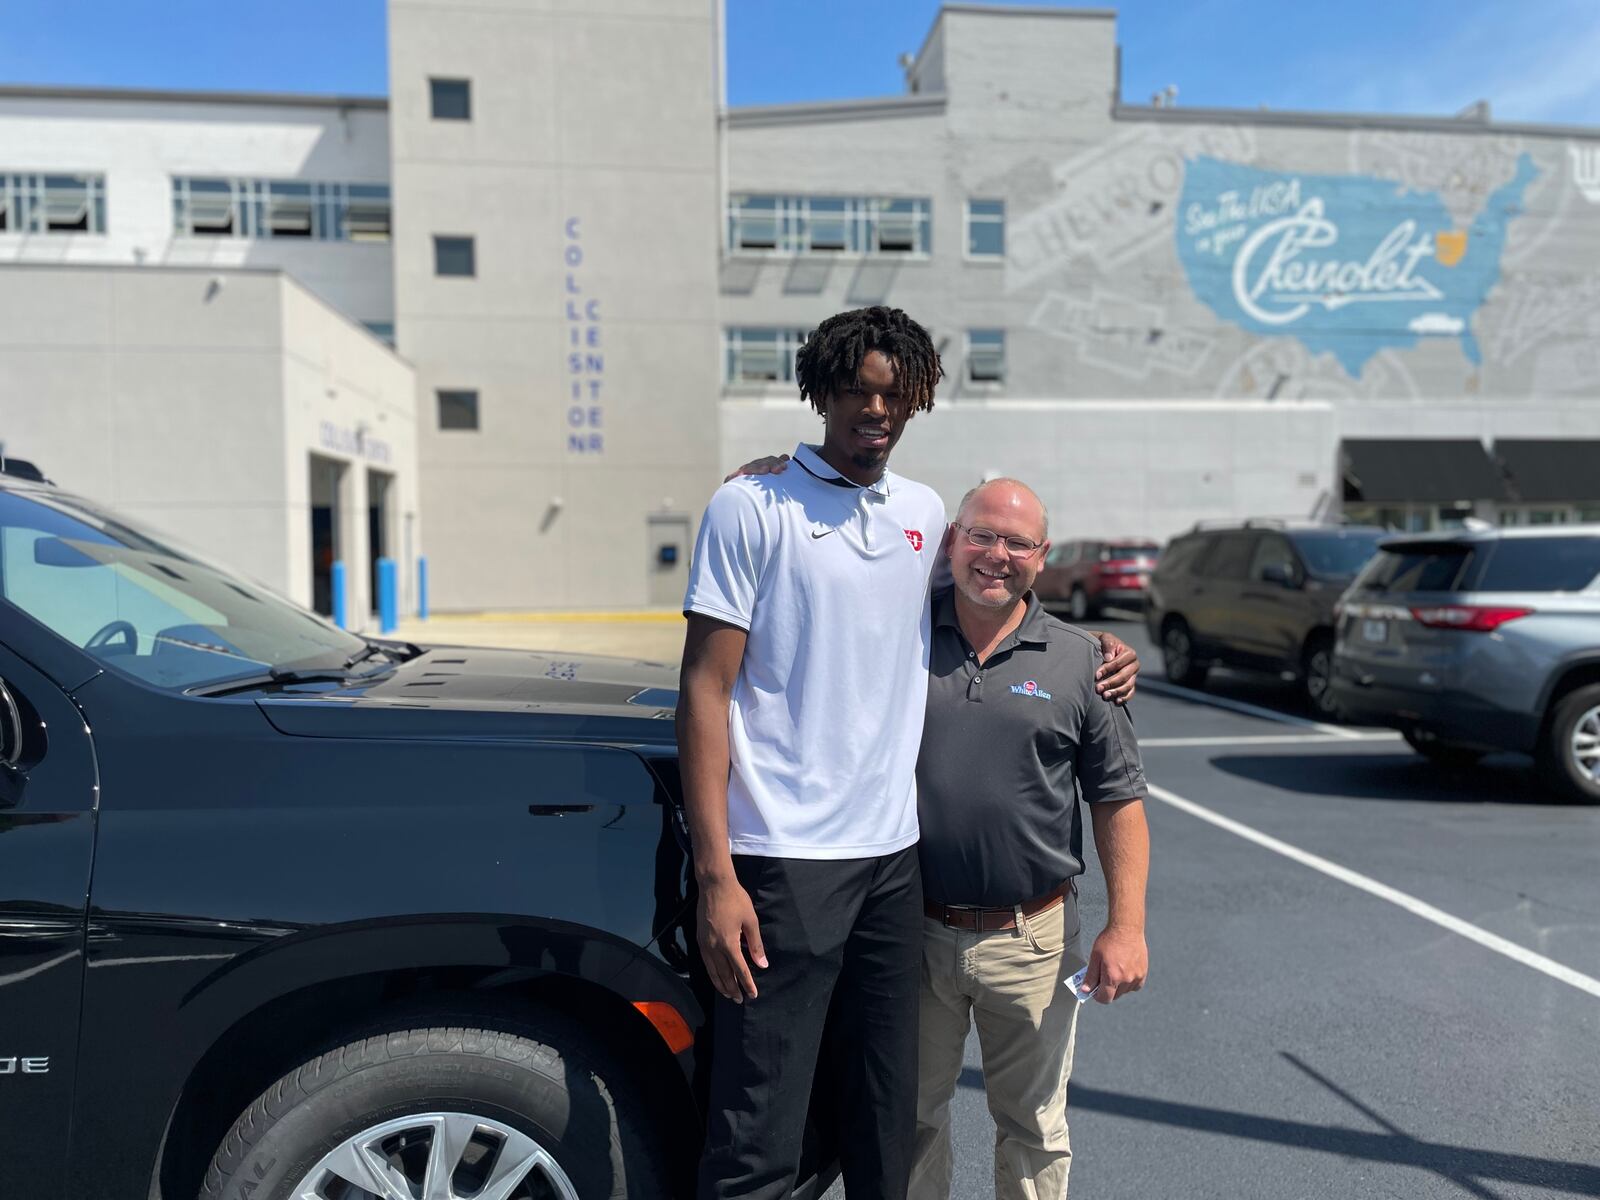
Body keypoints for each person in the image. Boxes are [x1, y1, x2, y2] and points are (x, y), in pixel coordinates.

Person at [679, 305, 1138, 1200]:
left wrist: (1090, 650)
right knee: (758, 1127)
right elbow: (706, 689)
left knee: (887, 1121)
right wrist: (717, 875)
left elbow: (993, 590)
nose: (875, 410)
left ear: (917, 401)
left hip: (895, 868)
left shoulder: (922, 513)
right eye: (857, 389)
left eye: (895, 394)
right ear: (823, 391)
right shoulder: (749, 507)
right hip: (784, 860)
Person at [912, 477, 1149, 1200]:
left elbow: (1117, 800)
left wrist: (1127, 925)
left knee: (1034, 1127)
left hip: (1034, 939)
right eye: (982, 534)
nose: (996, 554)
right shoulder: (900, 635)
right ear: (952, 542)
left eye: (1017, 541)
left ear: (1042, 558)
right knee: (909, 1119)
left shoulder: (1084, 662)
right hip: (912, 933)